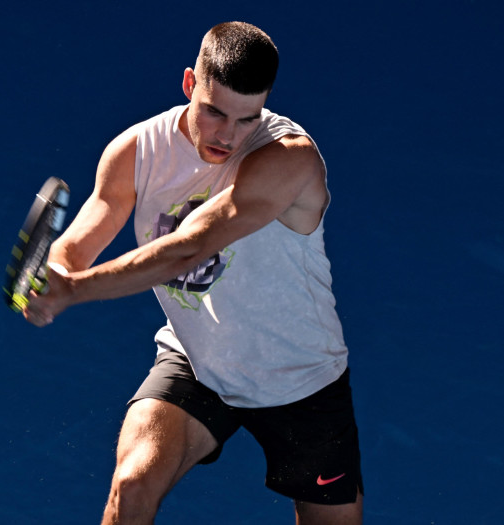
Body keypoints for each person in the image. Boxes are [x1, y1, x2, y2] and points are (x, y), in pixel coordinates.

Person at [23, 21, 363, 524]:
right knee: (133, 485)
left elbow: (189, 247)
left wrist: (73, 290)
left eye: (247, 119)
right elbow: (81, 238)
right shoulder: (137, 151)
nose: (227, 136)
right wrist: (52, 273)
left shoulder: (291, 160)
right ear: (189, 85)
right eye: (214, 112)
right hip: (199, 361)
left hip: (300, 378)